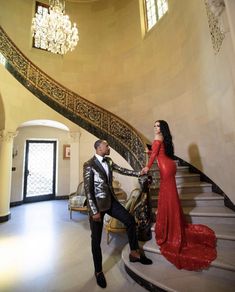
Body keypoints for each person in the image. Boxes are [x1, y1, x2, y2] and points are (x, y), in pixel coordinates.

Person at [141, 120, 217, 270]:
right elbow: (160, 152)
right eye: (155, 126)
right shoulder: (166, 139)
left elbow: (155, 154)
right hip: (170, 165)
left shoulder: (157, 139)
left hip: (164, 167)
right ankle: (173, 223)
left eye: (158, 126)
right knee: (170, 195)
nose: (156, 128)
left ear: (162, 128)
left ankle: (171, 230)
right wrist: (150, 152)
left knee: (167, 197)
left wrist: (146, 167)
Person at [83, 139, 152, 289]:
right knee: (95, 241)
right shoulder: (89, 165)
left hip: (111, 202)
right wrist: (94, 211)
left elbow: (122, 170)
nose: (109, 148)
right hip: (97, 207)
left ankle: (134, 253)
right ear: (99, 147)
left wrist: (138, 173)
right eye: (106, 146)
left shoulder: (109, 161)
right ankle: (98, 271)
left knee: (130, 220)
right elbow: (88, 190)